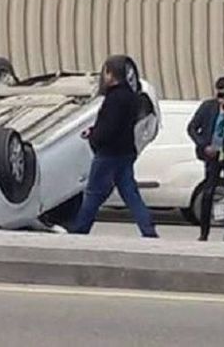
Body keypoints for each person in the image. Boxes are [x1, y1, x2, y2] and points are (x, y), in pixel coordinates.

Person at [67, 55, 158, 238]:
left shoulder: (114, 98)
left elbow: (109, 127)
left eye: (105, 72)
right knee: (130, 194)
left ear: (111, 74)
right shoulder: (131, 97)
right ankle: (147, 228)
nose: (104, 77)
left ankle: (80, 229)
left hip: (109, 153)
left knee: (93, 193)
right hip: (126, 151)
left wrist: (94, 136)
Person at [187, 76, 224, 241]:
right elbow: (192, 128)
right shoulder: (208, 107)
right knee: (208, 191)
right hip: (212, 155)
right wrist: (204, 145)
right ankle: (204, 232)